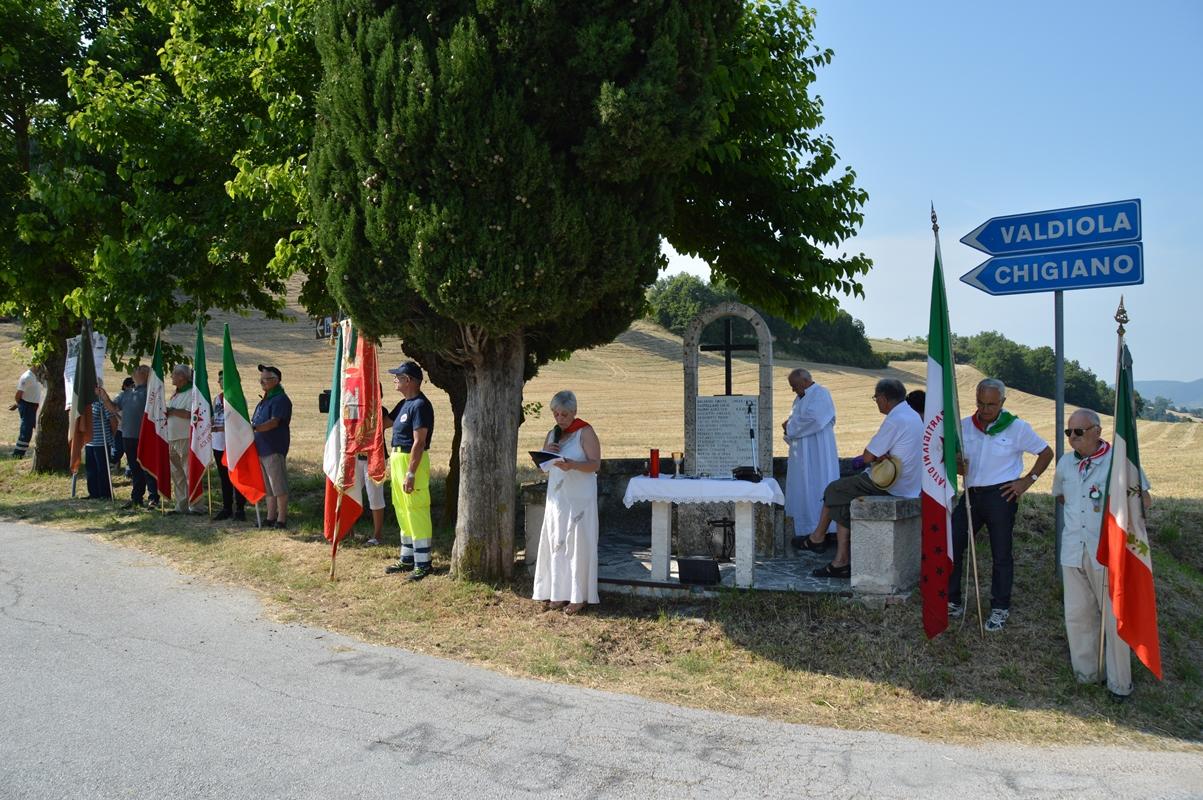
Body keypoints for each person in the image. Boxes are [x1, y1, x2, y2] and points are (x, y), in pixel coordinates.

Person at [1052, 408, 1149, 700]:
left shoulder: (1118, 461)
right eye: (1068, 433)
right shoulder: (1066, 463)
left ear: (1097, 431)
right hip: (1073, 547)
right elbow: (1060, 495)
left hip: (1108, 551)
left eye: (1078, 432)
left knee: (1113, 617)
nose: (1072, 438)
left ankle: (1119, 683)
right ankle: (1088, 674)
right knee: (1078, 615)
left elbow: (1143, 499)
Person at [948, 379, 1054, 632]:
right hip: (972, 494)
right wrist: (957, 464)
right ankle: (952, 600)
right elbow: (954, 459)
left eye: (991, 405)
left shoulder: (1017, 427)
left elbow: (1046, 452)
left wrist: (1027, 481)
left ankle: (999, 607)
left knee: (1001, 553)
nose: (985, 410)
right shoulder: (964, 427)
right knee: (953, 543)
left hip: (1001, 496)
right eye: (980, 403)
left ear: (1003, 402)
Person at [803, 378, 923, 579]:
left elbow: (868, 456)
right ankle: (840, 562)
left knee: (833, 489)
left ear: (884, 398)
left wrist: (876, 455)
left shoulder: (896, 418)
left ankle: (817, 537)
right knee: (843, 504)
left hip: (890, 484)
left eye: (876, 398)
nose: (876, 402)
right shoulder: (911, 415)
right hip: (909, 484)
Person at [532, 390, 601, 614]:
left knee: (577, 544)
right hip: (557, 497)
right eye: (556, 414)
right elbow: (543, 468)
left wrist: (572, 464)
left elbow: (595, 464)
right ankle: (558, 592)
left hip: (579, 497)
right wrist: (546, 454)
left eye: (564, 414)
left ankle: (578, 596)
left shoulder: (585, 431)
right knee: (557, 541)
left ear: (574, 412)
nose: (560, 419)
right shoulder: (552, 434)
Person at [383, 361, 433, 579]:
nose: (395, 380)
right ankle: (408, 557)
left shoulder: (420, 405)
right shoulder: (404, 403)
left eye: (398, 376)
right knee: (401, 506)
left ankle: (423, 562)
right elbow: (385, 422)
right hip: (397, 458)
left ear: (409, 380)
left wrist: (411, 473)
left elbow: (419, 442)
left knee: (416, 507)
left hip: (412, 460)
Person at [782, 368, 839, 546]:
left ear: (805, 381)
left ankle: (823, 532)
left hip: (818, 451)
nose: (793, 390)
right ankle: (806, 531)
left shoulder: (821, 393)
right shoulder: (799, 398)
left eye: (795, 386)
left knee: (818, 486)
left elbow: (815, 420)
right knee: (803, 489)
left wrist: (789, 426)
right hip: (802, 453)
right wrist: (789, 428)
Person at [96, 366, 159, 510]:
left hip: (146, 436)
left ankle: (153, 498)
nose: (135, 371)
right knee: (135, 468)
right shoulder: (127, 394)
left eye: (139, 370)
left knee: (148, 468)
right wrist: (104, 396)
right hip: (128, 436)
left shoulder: (151, 393)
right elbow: (113, 408)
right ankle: (136, 498)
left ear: (145, 375)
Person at [252, 364, 292, 528]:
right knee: (268, 487)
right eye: (261, 379)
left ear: (276, 380)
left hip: (273, 447)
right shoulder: (265, 399)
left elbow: (274, 422)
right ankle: (270, 517)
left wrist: (254, 428)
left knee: (278, 485)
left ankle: (281, 519)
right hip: (261, 448)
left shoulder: (280, 399)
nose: (262, 382)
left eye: (266, 379)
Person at [165, 364, 205, 514]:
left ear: (182, 376)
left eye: (174, 374)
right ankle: (181, 505)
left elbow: (190, 414)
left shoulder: (192, 393)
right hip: (172, 438)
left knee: (190, 472)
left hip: (185, 437)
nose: (171, 377)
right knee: (177, 474)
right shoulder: (176, 393)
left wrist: (172, 411)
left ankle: (196, 505)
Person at [211, 371, 247, 522]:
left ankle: (240, 508)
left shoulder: (237, 398)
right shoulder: (217, 398)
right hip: (218, 443)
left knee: (236, 475)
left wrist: (223, 428)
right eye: (219, 380)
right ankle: (227, 507)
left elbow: (240, 421)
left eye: (223, 379)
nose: (220, 382)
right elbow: (215, 416)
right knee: (224, 477)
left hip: (233, 442)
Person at [83, 379, 116, 499]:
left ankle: (105, 493)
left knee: (102, 469)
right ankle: (93, 493)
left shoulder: (102, 402)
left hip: (101, 441)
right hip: (89, 442)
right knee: (91, 469)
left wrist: (111, 436)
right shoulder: (86, 402)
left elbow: (113, 421)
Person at [10, 365, 45, 458]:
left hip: (35, 406)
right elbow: (18, 394)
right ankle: (17, 454)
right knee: (26, 430)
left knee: (40, 428)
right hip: (27, 406)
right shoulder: (27, 377)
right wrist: (19, 405)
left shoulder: (36, 376)